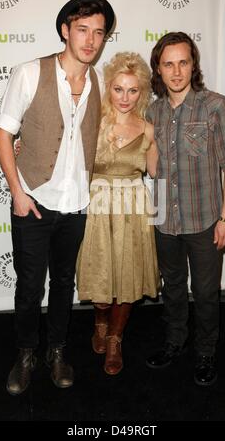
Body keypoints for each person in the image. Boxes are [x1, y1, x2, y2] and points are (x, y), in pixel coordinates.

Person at [0, 0, 115, 395]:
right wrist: (17, 192)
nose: (90, 40)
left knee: (64, 284)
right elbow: (3, 133)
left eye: (99, 33)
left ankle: (57, 351)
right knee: (30, 285)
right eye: (82, 30)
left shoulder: (98, 80)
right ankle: (26, 353)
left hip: (76, 204)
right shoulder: (30, 72)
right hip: (33, 200)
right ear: (65, 30)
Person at [145, 32, 225, 386]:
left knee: (205, 292)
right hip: (164, 220)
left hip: (205, 219)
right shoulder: (152, 111)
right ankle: (175, 342)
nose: (176, 71)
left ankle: (205, 352)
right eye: (168, 64)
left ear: (193, 64)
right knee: (172, 287)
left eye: (183, 62)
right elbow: (151, 167)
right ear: (158, 68)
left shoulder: (216, 106)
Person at [76, 52, 161, 375]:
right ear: (108, 88)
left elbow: (157, 172)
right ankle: (100, 318)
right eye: (118, 89)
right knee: (99, 279)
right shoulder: (91, 120)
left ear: (142, 91)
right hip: (96, 206)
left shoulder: (150, 130)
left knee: (127, 277)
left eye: (133, 90)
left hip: (133, 209)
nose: (125, 97)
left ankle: (115, 337)